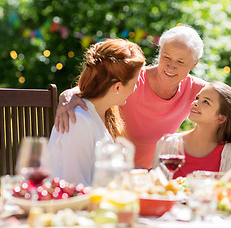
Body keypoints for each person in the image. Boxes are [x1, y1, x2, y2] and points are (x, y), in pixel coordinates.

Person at [54, 25, 207, 169]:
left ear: (193, 64)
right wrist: (66, 95)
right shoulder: (134, 78)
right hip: (110, 169)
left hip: (151, 175)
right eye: (166, 57)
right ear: (159, 53)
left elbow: (227, 103)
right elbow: (92, 88)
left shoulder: (197, 89)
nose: (171, 66)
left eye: (180, 61)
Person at [48, 39, 145, 186]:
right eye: (135, 82)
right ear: (117, 87)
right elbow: (75, 187)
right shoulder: (78, 121)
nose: (136, 87)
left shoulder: (101, 114)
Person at [153, 82, 231, 178]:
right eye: (197, 98)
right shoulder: (169, 144)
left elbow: (230, 191)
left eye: (206, 102)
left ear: (220, 118)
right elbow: (156, 187)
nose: (195, 103)